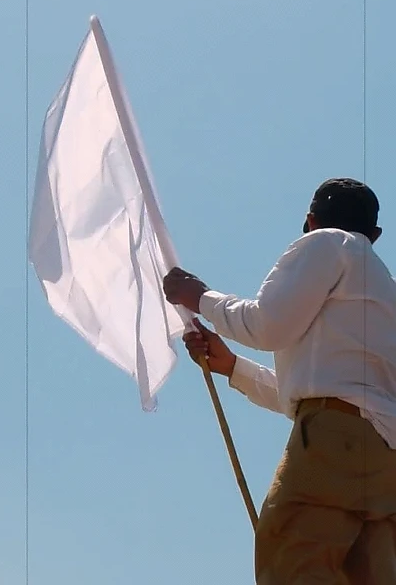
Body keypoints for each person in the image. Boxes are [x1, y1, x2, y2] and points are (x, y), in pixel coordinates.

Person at [163, 178, 396, 584]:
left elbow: (266, 327)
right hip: (385, 461)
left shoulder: (327, 244)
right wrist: (235, 368)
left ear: (310, 222)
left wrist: (198, 296)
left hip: (336, 442)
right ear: (375, 235)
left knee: (289, 560)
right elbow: (331, 390)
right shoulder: (384, 295)